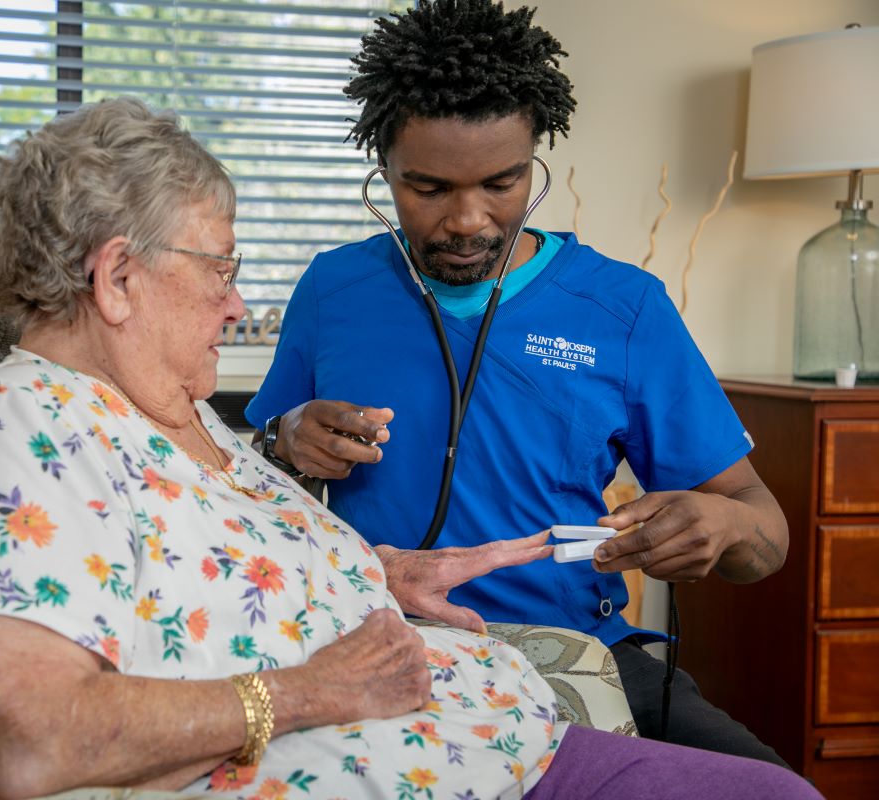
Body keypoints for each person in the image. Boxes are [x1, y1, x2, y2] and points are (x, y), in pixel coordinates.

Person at [0, 97, 818, 800]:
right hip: (428, 748)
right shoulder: (29, 422)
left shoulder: (178, 417)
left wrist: (378, 574)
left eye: (500, 182)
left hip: (525, 688)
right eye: (222, 268)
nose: (240, 304)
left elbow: (204, 552)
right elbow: (27, 733)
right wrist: (310, 681)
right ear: (118, 277)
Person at [245, 0, 791, 768]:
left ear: (537, 160)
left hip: (576, 649)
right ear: (385, 171)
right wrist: (282, 438)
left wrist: (722, 527)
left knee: (766, 787)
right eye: (428, 188)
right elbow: (244, 492)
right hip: (373, 638)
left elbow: (765, 533)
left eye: (500, 183)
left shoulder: (624, 308)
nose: (468, 220)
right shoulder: (335, 289)